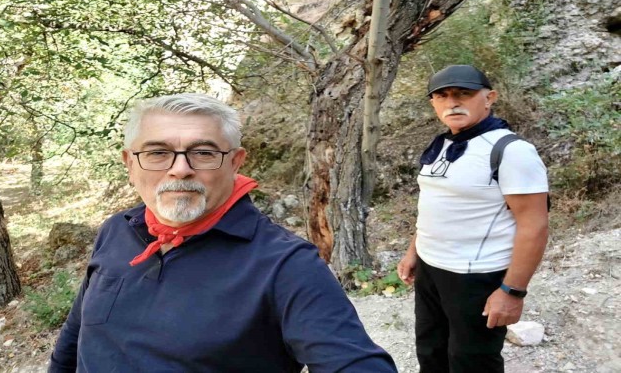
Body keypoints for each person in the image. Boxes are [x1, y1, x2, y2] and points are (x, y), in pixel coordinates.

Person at [49, 93, 397, 372]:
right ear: (129, 163)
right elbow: (75, 338)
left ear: (235, 162)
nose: (180, 169)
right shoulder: (117, 230)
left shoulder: (285, 265)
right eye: (158, 153)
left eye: (203, 153)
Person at [397, 65, 549, 373]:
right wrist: (414, 251)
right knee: (431, 350)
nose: (452, 103)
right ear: (433, 103)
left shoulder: (512, 151)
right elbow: (436, 204)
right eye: (442, 96)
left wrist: (512, 291)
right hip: (431, 268)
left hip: (476, 276)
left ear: (489, 98)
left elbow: (534, 226)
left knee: (472, 361)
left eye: (463, 94)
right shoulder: (442, 145)